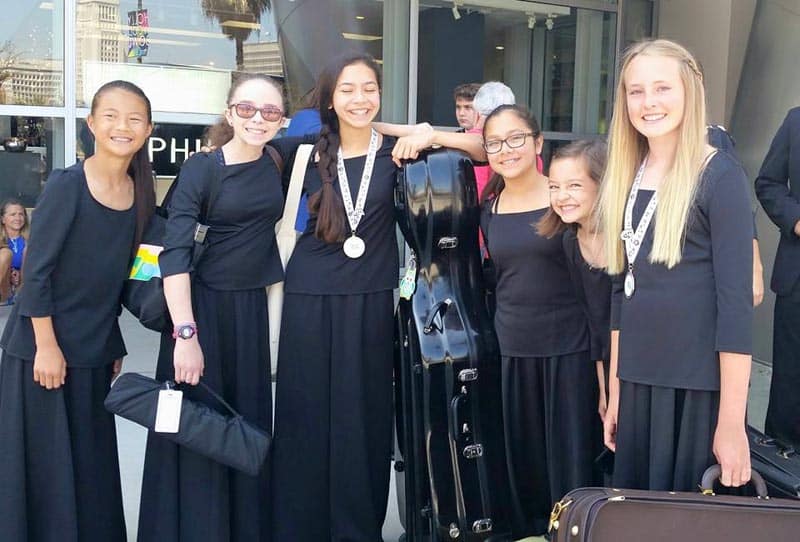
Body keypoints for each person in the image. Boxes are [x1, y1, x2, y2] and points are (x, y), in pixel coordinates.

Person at [270, 53, 485, 542]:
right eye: (347, 90)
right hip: (307, 296)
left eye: (369, 88)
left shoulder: (398, 151)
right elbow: (247, 155)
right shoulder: (303, 151)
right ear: (329, 98)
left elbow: (480, 149)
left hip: (369, 300)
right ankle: (299, 527)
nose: (360, 98)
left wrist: (423, 133)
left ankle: (355, 529)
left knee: (362, 421)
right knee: (304, 417)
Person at [137, 73, 305, 542]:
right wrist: (185, 335)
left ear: (282, 119)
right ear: (230, 112)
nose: (258, 118)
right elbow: (174, 255)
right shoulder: (202, 169)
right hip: (200, 312)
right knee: (194, 427)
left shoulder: (278, 157)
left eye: (270, 111)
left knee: (241, 429)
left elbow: (350, 128)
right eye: (246, 108)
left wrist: (422, 132)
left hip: (248, 314)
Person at [0, 80, 155, 541]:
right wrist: (46, 346)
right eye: (110, 116)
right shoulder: (68, 185)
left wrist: (115, 340)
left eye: (134, 118)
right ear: (91, 124)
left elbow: (124, 277)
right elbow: (37, 274)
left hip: (94, 352)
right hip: (41, 351)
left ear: (148, 129)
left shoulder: (141, 194)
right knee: (45, 470)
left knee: (90, 469)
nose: (122, 126)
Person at [600, 39, 753, 492]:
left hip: (694, 393)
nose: (649, 102)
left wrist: (731, 423)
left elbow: (736, 308)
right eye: (636, 91)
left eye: (662, 88)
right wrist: (617, 390)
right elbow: (621, 292)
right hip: (637, 384)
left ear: (690, 90)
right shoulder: (627, 172)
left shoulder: (719, 175)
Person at [479, 105, 597, 538]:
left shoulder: (562, 197)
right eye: (495, 143)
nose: (506, 150)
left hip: (570, 348)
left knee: (570, 458)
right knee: (522, 459)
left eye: (516, 138)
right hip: (512, 346)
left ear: (538, 143)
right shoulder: (489, 207)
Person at [537, 139, 611, 423]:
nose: (561, 196)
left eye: (574, 185)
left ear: (602, 184)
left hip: (646, 366)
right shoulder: (570, 241)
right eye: (554, 187)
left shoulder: (628, 236)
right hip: (607, 368)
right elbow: (595, 323)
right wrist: (604, 389)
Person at [755, 106, 800, 447]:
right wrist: (796, 220)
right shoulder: (796, 121)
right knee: (790, 375)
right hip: (797, 276)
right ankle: (783, 455)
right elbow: (767, 183)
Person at [0, 199, 29, 304]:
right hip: (3, 288)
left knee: (29, 249)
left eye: (21, 214)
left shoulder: (31, 239)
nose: (18, 218)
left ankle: (20, 297)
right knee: (5, 254)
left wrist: (20, 274)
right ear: (3, 219)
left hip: (22, 288)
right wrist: (10, 273)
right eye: (13, 214)